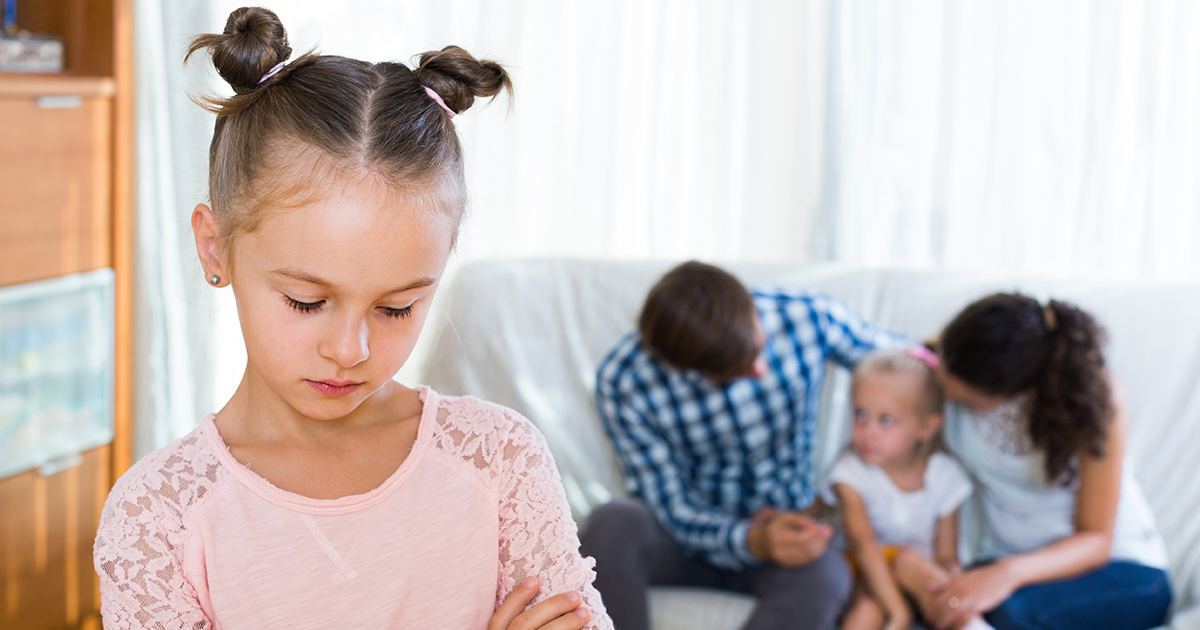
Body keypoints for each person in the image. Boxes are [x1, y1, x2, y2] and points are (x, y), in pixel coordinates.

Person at [92, 8, 612, 630]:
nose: (349, 349)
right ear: (216, 248)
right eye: (307, 301)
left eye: (397, 308)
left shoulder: (499, 463)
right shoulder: (159, 518)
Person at [582, 261, 909, 630]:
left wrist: (946, 354)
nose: (759, 371)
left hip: (786, 537)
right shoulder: (624, 379)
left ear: (751, 308)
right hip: (683, 537)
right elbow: (671, 506)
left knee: (827, 575)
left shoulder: (806, 317)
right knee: (613, 523)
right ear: (686, 368)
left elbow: (908, 365)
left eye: (759, 348)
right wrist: (752, 540)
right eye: (734, 371)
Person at [921, 293, 1172, 630]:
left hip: (1120, 570)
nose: (944, 385)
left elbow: (1096, 540)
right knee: (934, 599)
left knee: (1010, 614)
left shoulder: (1093, 399)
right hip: (1005, 564)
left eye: (962, 396)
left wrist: (1006, 574)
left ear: (1009, 392)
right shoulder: (953, 356)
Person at [821, 347, 989, 630]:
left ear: (926, 427)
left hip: (917, 578)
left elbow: (946, 554)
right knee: (868, 610)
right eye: (860, 414)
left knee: (929, 581)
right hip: (866, 576)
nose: (868, 431)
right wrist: (898, 613)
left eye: (886, 420)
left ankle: (970, 624)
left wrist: (951, 578)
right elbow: (863, 547)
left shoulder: (944, 476)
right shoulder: (849, 472)